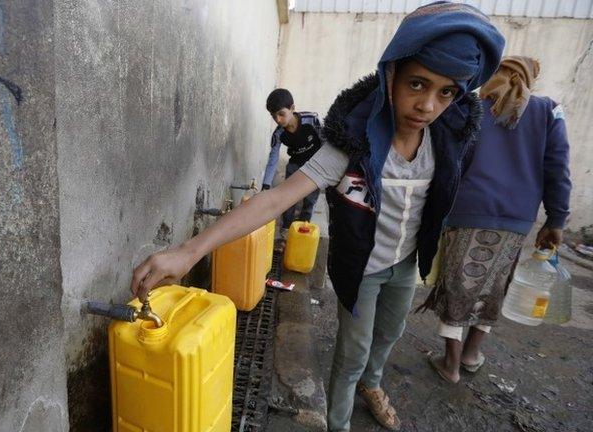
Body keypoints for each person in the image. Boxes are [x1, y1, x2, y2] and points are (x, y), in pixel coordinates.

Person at [130, 2, 504, 430]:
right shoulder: (352, 144)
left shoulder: (448, 142)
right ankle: (339, 422)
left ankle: (374, 384)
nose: (427, 105)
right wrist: (188, 251)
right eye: (417, 84)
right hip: (362, 269)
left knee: (389, 336)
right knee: (352, 354)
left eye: (445, 92)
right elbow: (273, 202)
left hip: (404, 266)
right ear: (391, 76)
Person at [419, 56, 572, 384]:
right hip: (516, 219)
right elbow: (557, 167)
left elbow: (448, 158)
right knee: (492, 287)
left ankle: (451, 364)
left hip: (467, 211)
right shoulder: (549, 111)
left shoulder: (471, 106)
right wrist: (555, 219)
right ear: (529, 78)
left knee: (457, 286)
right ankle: (472, 355)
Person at [262, 89, 323, 238]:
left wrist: (325, 170)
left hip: (314, 166)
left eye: (281, 114)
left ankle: (303, 231)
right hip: (295, 166)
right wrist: (265, 185)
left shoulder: (311, 120)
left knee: (310, 200)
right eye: (273, 116)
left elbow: (324, 142)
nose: (278, 120)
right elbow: (273, 159)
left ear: (292, 108)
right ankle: (286, 230)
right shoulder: (278, 134)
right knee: (288, 200)